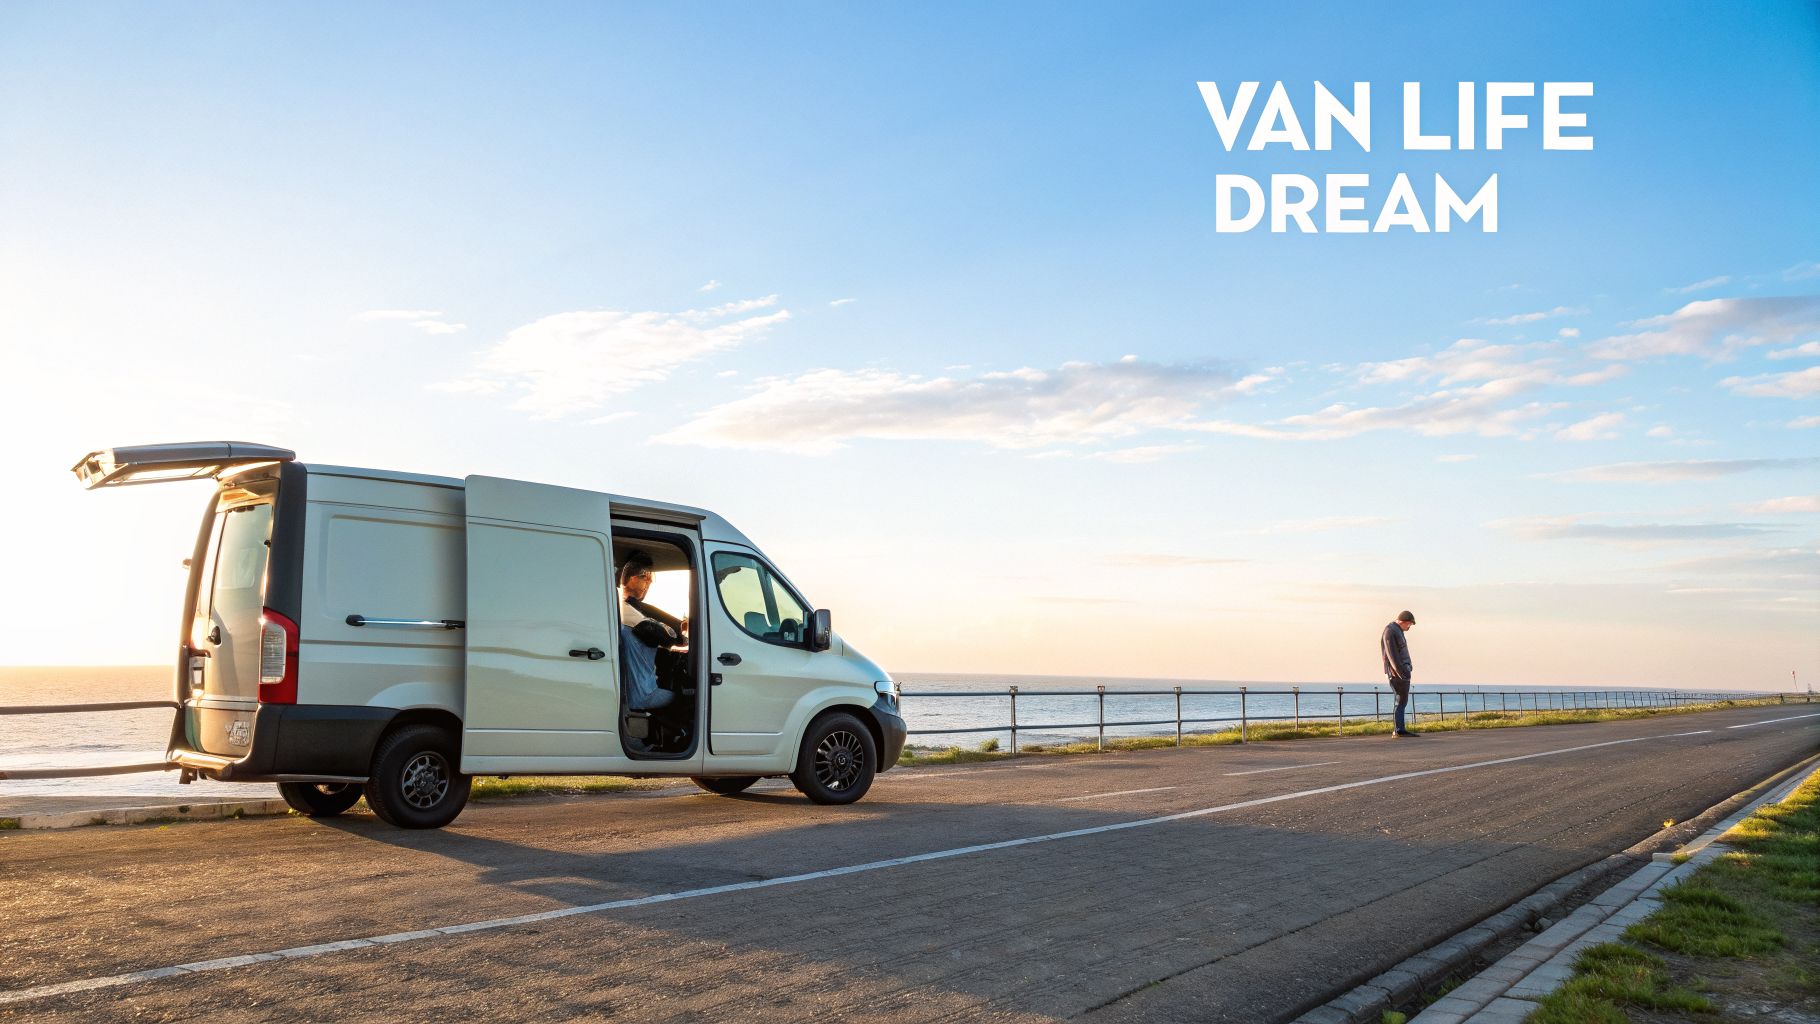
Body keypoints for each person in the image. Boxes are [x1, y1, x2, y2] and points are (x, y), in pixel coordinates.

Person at [618, 553, 685, 711]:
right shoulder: (631, 612)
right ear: (633, 578)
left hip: (629, 692)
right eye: (645, 578)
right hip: (642, 696)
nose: (649, 583)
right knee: (692, 699)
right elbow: (667, 637)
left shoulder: (621, 607)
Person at [1381, 610, 1417, 737]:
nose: (1409, 627)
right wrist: (1401, 672)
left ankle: (1400, 728)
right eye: (1409, 624)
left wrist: (1408, 669)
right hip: (1397, 673)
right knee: (1400, 700)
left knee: (1402, 700)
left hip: (1402, 672)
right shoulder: (1390, 631)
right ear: (1403, 622)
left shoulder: (1397, 631)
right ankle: (1398, 730)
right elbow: (1392, 655)